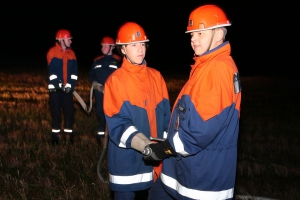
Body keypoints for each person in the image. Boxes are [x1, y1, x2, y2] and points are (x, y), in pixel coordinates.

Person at [145, 5, 242, 200]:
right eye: (191, 34)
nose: (193, 39)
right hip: (185, 173)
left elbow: (197, 134)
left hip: (200, 181)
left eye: (200, 33)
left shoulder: (217, 70)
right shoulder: (206, 65)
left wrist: (163, 149)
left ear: (219, 34)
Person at [103, 22, 171, 200]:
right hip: (127, 163)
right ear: (123, 49)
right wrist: (146, 147)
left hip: (157, 164)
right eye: (133, 45)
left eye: (142, 44)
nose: (140, 49)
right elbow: (118, 125)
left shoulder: (157, 77)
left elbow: (166, 118)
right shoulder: (115, 81)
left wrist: (166, 147)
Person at [46, 29, 78, 144]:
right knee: (56, 114)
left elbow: (74, 73)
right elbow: (52, 72)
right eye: (68, 39)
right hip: (55, 90)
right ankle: (55, 138)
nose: (70, 41)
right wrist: (59, 85)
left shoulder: (72, 54)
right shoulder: (52, 52)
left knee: (69, 113)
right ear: (61, 40)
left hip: (67, 90)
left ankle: (69, 137)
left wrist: (70, 85)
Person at [88, 36, 121, 144]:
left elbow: (121, 77)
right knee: (100, 113)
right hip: (99, 93)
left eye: (104, 46)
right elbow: (91, 75)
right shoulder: (97, 61)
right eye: (102, 46)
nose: (102, 48)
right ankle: (100, 138)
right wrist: (94, 84)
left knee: (112, 115)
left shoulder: (118, 61)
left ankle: (111, 138)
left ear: (111, 47)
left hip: (112, 94)